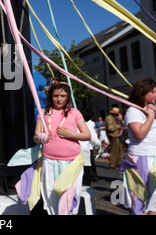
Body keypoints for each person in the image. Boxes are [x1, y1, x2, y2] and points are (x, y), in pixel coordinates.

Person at [33, 81, 91, 215]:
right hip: (50, 162)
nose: (59, 99)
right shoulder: (43, 113)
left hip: (72, 163)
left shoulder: (74, 112)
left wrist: (71, 134)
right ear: (50, 96)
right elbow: (35, 137)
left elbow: (87, 135)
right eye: (55, 95)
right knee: (52, 198)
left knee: (69, 199)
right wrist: (40, 137)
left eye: (63, 96)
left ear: (68, 97)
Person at [122, 78, 156, 215]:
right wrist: (150, 117)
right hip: (141, 157)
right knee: (140, 199)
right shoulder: (133, 111)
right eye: (153, 92)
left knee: (154, 201)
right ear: (143, 93)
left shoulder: (154, 110)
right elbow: (139, 134)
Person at [81, 108, 101, 185]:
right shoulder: (90, 125)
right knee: (86, 169)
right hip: (86, 149)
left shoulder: (76, 123)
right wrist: (98, 147)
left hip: (75, 150)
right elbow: (95, 140)